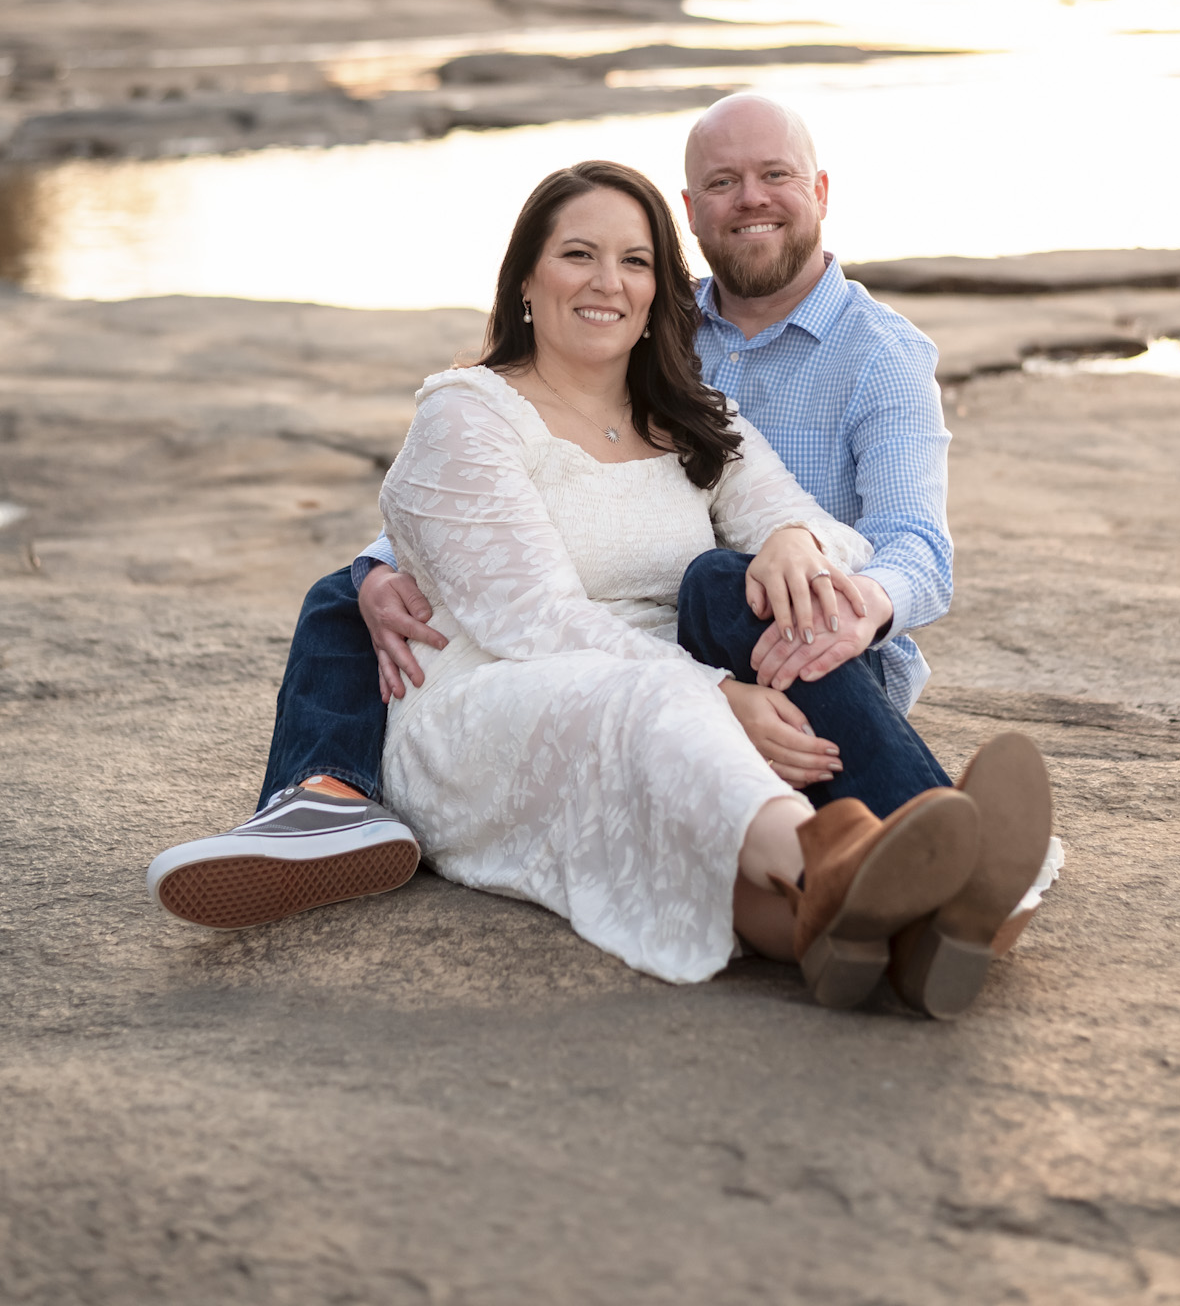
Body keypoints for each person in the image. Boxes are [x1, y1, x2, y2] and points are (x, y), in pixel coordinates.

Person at [151, 157, 1053, 1012]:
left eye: (633, 261)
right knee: (659, 710)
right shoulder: (468, 413)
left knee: (735, 623)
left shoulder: (692, 413)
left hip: (659, 684)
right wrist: (717, 693)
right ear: (525, 283)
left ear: (661, 287)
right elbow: (532, 621)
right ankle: (846, 857)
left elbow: (814, 525)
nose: (606, 282)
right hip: (497, 694)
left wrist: (786, 538)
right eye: (577, 255)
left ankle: (873, 929)